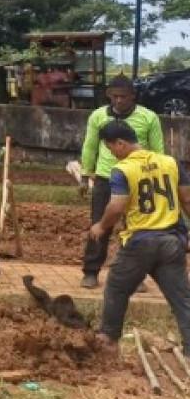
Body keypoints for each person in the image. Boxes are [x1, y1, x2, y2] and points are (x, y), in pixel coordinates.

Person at [89, 121, 190, 353]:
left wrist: (101, 226)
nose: (112, 154)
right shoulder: (170, 162)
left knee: (116, 288)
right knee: (182, 299)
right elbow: (187, 200)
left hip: (140, 243)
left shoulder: (123, 170)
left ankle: (108, 340)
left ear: (121, 143)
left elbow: (117, 206)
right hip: (171, 242)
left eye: (111, 148)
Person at [80, 75, 164, 289]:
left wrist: (156, 178)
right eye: (114, 96)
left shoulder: (149, 118)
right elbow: (90, 146)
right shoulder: (98, 116)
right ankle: (91, 272)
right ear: (108, 95)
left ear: (132, 96)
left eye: (123, 96)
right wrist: (84, 175)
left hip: (137, 179)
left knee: (136, 228)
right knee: (99, 225)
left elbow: (158, 151)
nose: (118, 100)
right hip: (105, 178)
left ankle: (136, 276)